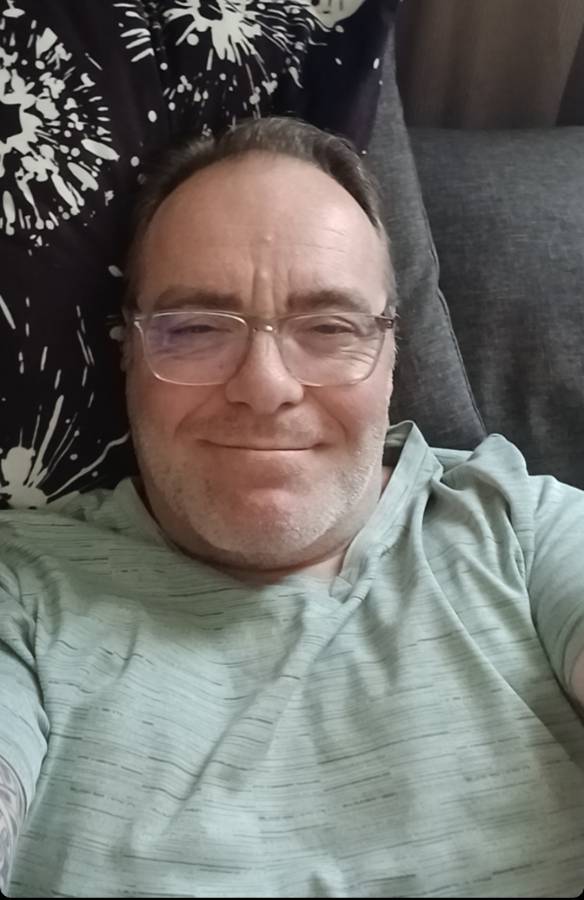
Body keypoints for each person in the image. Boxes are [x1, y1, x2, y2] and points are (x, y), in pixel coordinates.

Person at [0, 117, 582, 899]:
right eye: (196, 328)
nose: (266, 385)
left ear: (392, 355)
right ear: (128, 351)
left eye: (330, 327)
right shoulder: (22, 584)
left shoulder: (523, 526)